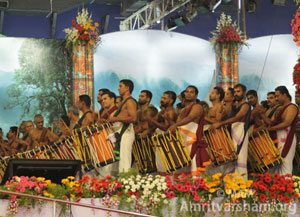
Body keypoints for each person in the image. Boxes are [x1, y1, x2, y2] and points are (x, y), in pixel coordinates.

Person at [210, 84, 251, 179]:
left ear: (244, 92)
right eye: (235, 92)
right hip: (232, 131)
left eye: (238, 91)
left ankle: (241, 186)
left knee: (240, 159)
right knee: (231, 159)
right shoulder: (234, 106)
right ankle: (230, 185)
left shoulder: (246, 105)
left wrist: (221, 123)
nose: (236, 94)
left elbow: (238, 117)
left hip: (240, 131)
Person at [169, 85, 210, 175]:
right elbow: (179, 123)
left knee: (194, 164)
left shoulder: (197, 107)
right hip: (182, 139)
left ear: (196, 95)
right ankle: (182, 187)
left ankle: (196, 187)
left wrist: (175, 125)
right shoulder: (184, 109)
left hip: (192, 140)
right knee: (181, 165)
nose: (188, 94)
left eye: (191, 92)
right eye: (187, 92)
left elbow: (190, 118)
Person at [264, 86, 298, 175]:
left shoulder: (292, 107)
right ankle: (275, 187)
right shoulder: (280, 108)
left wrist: (270, 129)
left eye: (277, 96)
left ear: (284, 95)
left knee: (285, 164)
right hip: (277, 139)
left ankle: (286, 187)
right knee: (275, 165)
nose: (276, 98)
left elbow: (287, 123)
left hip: (287, 139)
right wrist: (261, 114)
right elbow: (271, 122)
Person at [108, 79, 137, 173]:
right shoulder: (124, 101)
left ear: (127, 88)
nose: (118, 88)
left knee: (125, 160)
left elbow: (133, 118)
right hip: (121, 133)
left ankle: (125, 184)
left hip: (127, 132)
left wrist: (116, 119)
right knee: (119, 160)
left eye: (120, 86)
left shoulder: (130, 101)